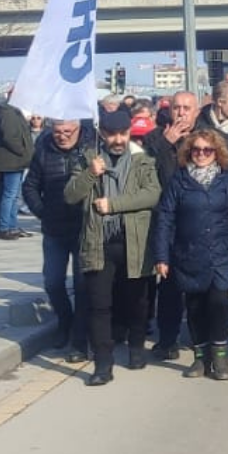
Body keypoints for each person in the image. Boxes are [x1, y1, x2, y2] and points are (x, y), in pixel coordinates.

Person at [65, 110, 161, 386]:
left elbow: (152, 194)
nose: (118, 140)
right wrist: (89, 174)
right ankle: (103, 365)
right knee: (99, 305)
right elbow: (71, 194)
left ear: (129, 132)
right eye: (111, 134)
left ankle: (135, 347)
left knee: (137, 301)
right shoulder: (88, 159)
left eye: (123, 133)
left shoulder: (143, 160)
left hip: (135, 243)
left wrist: (115, 205)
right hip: (98, 243)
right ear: (102, 134)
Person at [152, 130, 228, 381]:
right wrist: (161, 257)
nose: (201, 154)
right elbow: (165, 219)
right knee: (195, 307)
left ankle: (220, 358)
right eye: (196, 150)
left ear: (216, 153)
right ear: (188, 152)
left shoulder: (226, 181)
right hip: (188, 254)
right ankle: (200, 358)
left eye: (207, 150)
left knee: (218, 304)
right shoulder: (179, 180)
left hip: (221, 253)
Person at [23, 119, 95, 362]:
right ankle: (65, 321)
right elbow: (30, 187)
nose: (61, 136)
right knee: (53, 282)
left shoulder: (90, 149)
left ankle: (79, 340)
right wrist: (43, 211)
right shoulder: (43, 150)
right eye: (57, 132)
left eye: (67, 132)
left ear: (77, 130)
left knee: (84, 287)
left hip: (83, 229)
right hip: (54, 229)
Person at [141, 90, 200, 361]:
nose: (181, 113)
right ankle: (168, 340)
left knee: (200, 284)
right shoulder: (155, 138)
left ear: (196, 112)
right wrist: (165, 143)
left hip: (199, 220)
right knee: (169, 285)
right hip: (166, 221)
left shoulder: (206, 139)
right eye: (177, 107)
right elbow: (142, 172)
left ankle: (202, 338)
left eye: (187, 108)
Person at [0, 92, 34, 240]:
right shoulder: (8, 113)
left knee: (14, 195)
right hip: (12, 161)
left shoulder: (13, 112)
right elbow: (9, 136)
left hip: (16, 161)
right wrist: (22, 150)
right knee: (10, 195)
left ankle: (12, 226)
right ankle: (4, 227)